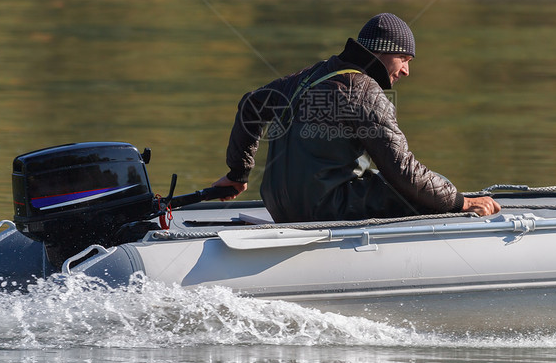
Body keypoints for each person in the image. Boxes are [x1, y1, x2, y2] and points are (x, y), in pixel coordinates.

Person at [212, 12, 500, 222]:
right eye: (404, 60)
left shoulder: (310, 75)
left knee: (405, 185)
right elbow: (403, 171)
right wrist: (460, 201)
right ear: (384, 52)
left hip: (278, 206)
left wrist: (238, 174)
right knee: (431, 186)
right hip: (324, 209)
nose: (406, 72)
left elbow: (250, 106)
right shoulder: (363, 91)